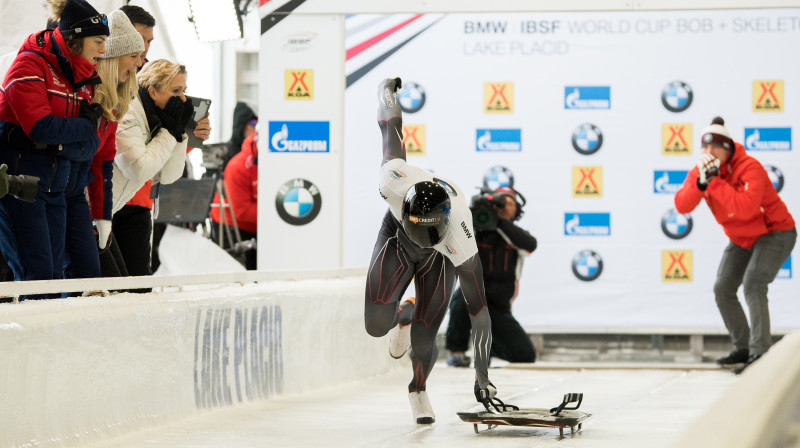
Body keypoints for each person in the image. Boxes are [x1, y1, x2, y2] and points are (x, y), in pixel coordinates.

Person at [365, 77, 497, 424]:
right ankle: (399, 316)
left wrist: (482, 376)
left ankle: (418, 389)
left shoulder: (461, 240)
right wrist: (387, 91)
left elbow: (479, 314)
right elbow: (390, 125)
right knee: (376, 325)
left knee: (424, 340)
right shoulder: (392, 180)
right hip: (397, 238)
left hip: (440, 259)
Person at [0, 0, 108, 299]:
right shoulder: (28, 65)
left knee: (56, 280)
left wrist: (56, 145)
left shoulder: (83, 77)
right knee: (39, 278)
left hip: (56, 186)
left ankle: (53, 346)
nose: (102, 50)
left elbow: (90, 148)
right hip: (20, 186)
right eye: (98, 41)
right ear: (75, 38)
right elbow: (41, 127)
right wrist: (83, 127)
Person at [674, 117, 796, 375]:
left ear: (727, 148)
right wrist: (700, 184)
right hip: (743, 237)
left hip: (775, 232)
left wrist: (715, 183)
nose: (708, 153)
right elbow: (682, 205)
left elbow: (745, 208)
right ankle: (743, 347)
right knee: (723, 288)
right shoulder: (702, 172)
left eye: (714, 148)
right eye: (704, 148)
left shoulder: (750, 167)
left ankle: (760, 353)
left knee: (753, 283)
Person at [114, 5, 211, 280]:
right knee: (112, 281)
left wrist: (187, 134)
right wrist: (172, 131)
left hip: (142, 197)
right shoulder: (121, 89)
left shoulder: (155, 81)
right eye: (139, 39)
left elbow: (166, 169)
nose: (144, 48)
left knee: (137, 279)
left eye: (149, 41)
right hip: (109, 196)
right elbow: (139, 160)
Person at [110, 58, 194, 277]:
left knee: (128, 282)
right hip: (92, 207)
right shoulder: (128, 112)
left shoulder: (156, 117)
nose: (183, 98)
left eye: (184, 90)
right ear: (154, 91)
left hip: (109, 208)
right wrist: (169, 132)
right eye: (176, 90)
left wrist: (179, 133)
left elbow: (167, 176)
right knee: (113, 282)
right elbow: (138, 169)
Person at [445, 187, 538, 367]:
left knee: (525, 355)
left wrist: (499, 222)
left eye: (509, 203)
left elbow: (530, 245)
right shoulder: (475, 230)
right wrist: (472, 212)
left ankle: (490, 349)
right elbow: (454, 235)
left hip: (498, 306)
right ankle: (457, 353)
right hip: (472, 296)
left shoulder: (515, 236)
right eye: (500, 202)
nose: (504, 206)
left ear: (516, 210)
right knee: (462, 297)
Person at [83, 10, 144, 278]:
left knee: (120, 286)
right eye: (133, 56)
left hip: (85, 209)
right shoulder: (85, 98)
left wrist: (102, 216)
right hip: (66, 206)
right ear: (111, 57)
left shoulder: (113, 106)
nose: (139, 64)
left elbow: (102, 164)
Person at [209, 131, 258, 269]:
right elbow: (242, 211)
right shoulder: (239, 166)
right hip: (230, 224)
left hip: (257, 224)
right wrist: (276, 213)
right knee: (240, 273)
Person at [222, 101, 257, 170]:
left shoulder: (256, 150)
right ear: (242, 125)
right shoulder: (226, 152)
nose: (255, 128)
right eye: (253, 123)